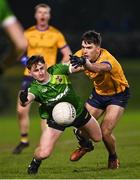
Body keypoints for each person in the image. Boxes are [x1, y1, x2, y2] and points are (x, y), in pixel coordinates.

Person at [18, 55, 102, 174]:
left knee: (98, 138)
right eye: (36, 70)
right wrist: (23, 99)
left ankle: (81, 135)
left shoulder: (58, 70)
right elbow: (26, 100)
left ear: (46, 66)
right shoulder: (35, 89)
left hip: (77, 112)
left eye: (41, 68)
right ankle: (35, 161)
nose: (40, 72)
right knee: (43, 153)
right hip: (55, 120)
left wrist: (83, 62)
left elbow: (77, 67)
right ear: (30, 72)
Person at [13, 3, 72, 154]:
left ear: (49, 16)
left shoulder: (56, 34)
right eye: (40, 12)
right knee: (21, 109)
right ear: (36, 15)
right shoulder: (27, 33)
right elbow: (19, 51)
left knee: (44, 113)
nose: (43, 15)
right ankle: (24, 140)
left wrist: (56, 69)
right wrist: (25, 62)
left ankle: (44, 144)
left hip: (47, 78)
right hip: (29, 77)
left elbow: (67, 54)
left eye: (45, 13)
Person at [69, 30, 130, 169]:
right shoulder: (81, 55)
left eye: (89, 47)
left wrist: (84, 63)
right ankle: (86, 145)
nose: (85, 50)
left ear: (98, 48)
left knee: (105, 131)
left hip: (118, 95)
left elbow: (98, 68)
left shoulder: (108, 59)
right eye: (83, 47)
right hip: (98, 94)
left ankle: (113, 156)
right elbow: (66, 68)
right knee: (79, 125)